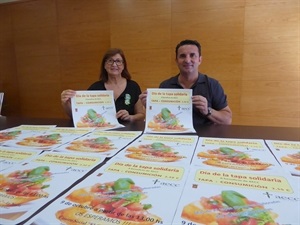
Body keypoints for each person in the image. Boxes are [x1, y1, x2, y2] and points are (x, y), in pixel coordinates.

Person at [139, 39, 232, 126]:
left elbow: (227, 120)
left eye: (192, 55)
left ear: (200, 60)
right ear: (176, 61)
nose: (187, 60)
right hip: (174, 135)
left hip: (204, 138)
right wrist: (150, 106)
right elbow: (161, 119)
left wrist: (207, 111)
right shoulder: (166, 85)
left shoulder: (212, 85)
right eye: (182, 56)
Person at [61, 48, 145, 122]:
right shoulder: (95, 88)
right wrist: (66, 103)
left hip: (128, 133)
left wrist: (130, 117)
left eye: (118, 61)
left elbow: (141, 115)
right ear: (104, 65)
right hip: (102, 131)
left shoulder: (133, 86)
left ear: (123, 65)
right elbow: (77, 117)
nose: (114, 64)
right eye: (110, 61)